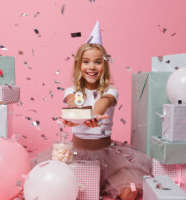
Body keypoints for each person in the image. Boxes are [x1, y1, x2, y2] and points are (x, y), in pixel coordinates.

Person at [61, 22, 152, 200]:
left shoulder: (110, 91)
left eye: (98, 62)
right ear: (79, 65)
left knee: (129, 191)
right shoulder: (71, 90)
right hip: (78, 153)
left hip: (107, 155)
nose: (92, 67)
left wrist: (93, 114)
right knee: (66, 188)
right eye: (86, 62)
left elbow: (103, 103)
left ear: (105, 65)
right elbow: (72, 103)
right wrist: (75, 115)